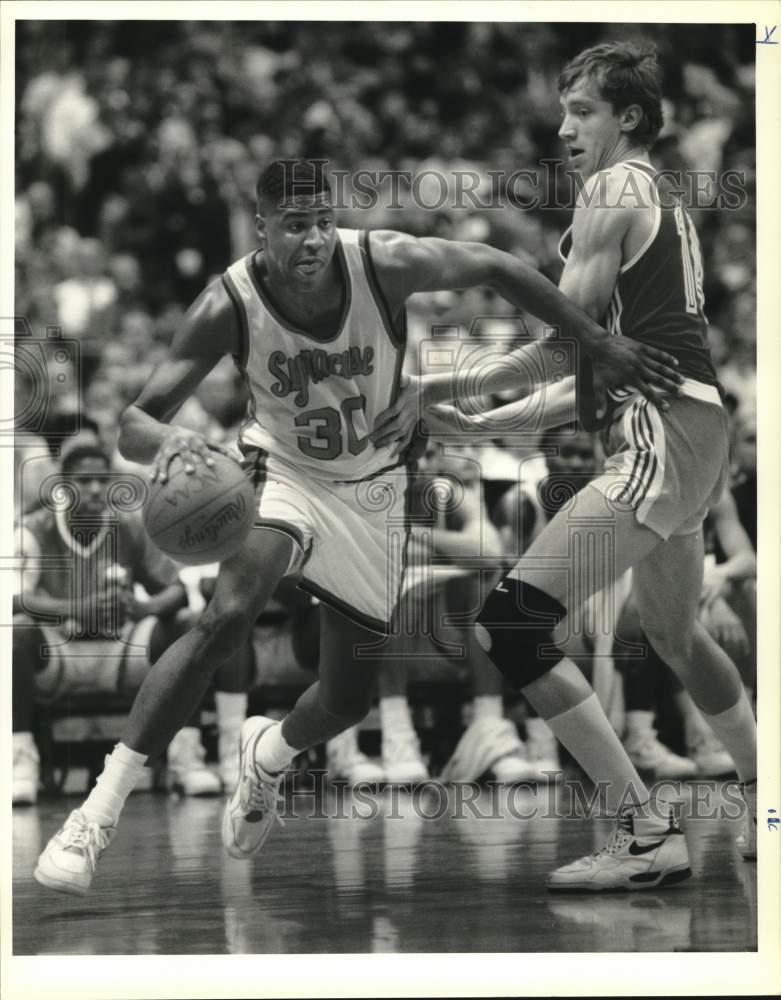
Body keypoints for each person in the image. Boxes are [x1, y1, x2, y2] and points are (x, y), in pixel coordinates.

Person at [34, 158, 681, 895]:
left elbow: (498, 265)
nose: (310, 239)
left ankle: (268, 755)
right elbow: (133, 422)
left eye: (320, 222)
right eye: (293, 226)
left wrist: (591, 341)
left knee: (346, 698)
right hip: (281, 475)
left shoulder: (382, 261)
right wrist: (172, 442)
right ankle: (96, 814)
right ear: (262, 228)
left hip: (374, 488)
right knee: (226, 616)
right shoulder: (230, 301)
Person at [374, 41, 757, 890]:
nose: (563, 128)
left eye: (581, 110)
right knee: (674, 635)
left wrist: (446, 378)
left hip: (661, 435)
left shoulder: (612, 189)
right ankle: (765, 792)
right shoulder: (654, 195)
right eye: (562, 111)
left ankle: (641, 829)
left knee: (510, 623)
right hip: (688, 430)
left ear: (628, 117)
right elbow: (592, 374)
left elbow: (564, 347)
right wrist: (470, 420)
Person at [12, 431, 196, 805]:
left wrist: (145, 608)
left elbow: (177, 590)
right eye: (84, 481)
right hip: (60, 654)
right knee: (15, 632)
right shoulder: (33, 530)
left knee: (187, 627)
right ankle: (20, 764)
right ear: (63, 486)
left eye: (103, 480)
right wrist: (79, 608)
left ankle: (187, 760)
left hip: (119, 651)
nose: (95, 488)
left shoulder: (128, 527)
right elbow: (13, 599)